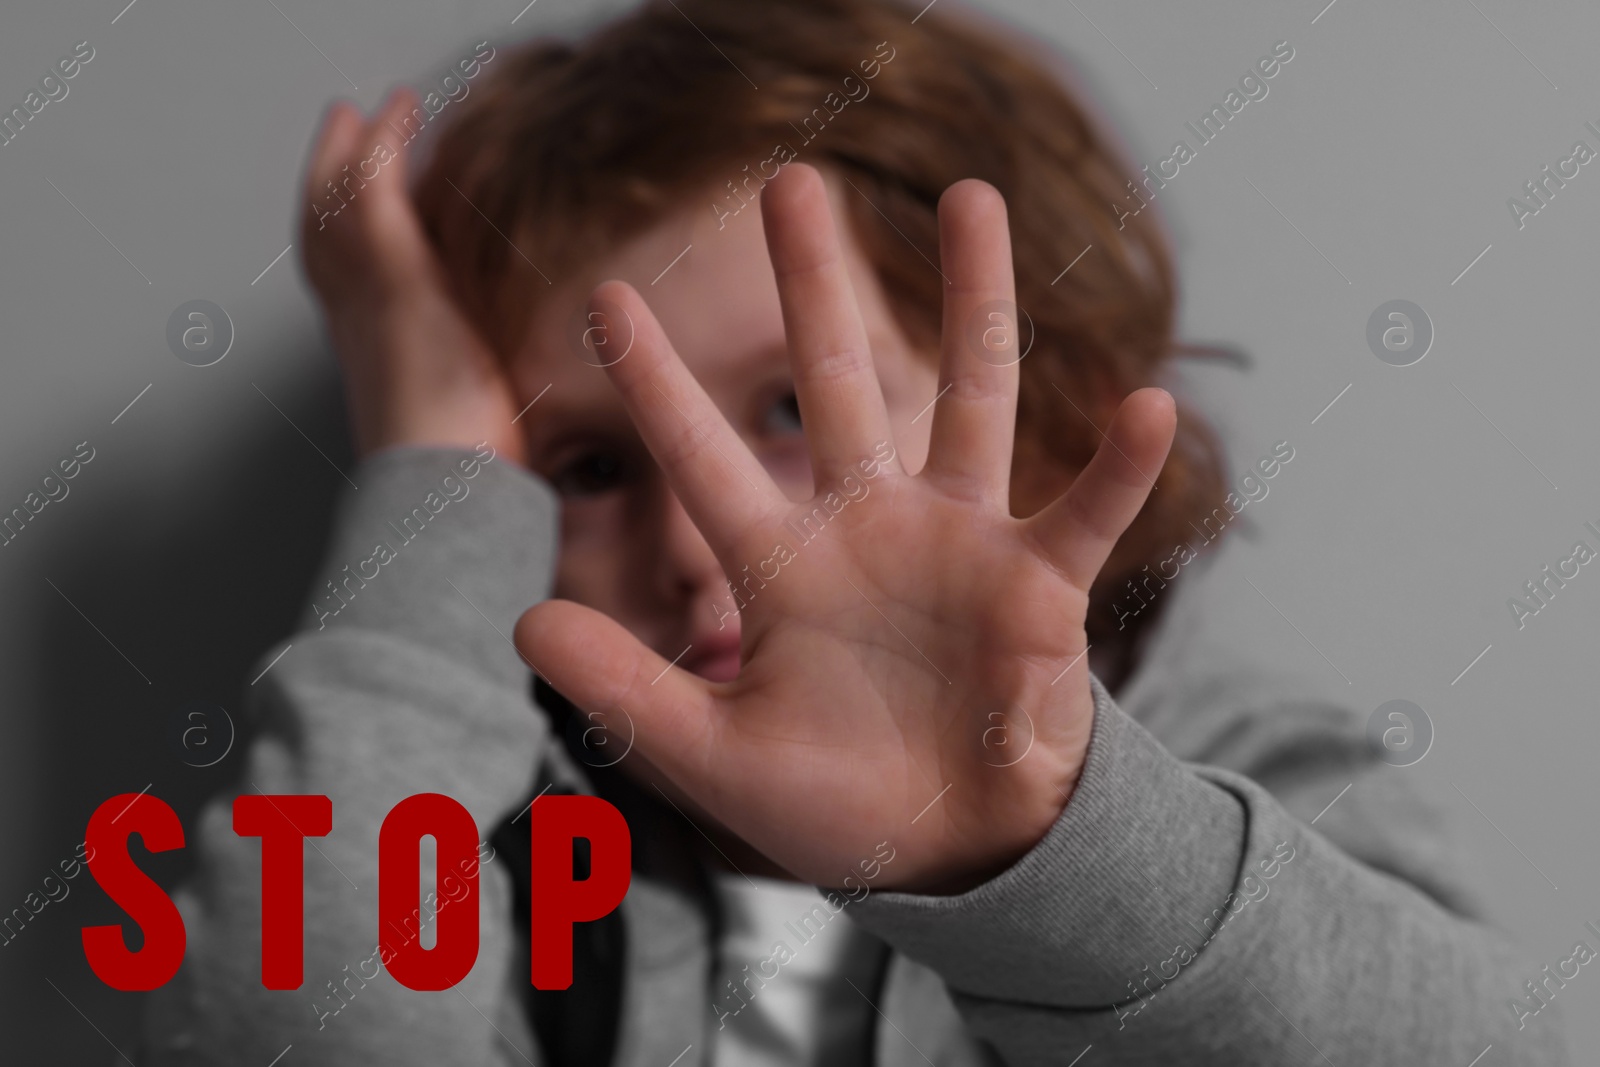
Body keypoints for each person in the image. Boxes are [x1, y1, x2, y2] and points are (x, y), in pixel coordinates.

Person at [141, 0, 1569, 1063]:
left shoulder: (1249, 775)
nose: (702, 546)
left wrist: (1037, 846)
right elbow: (292, 1018)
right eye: (581, 464)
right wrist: (436, 468)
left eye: (787, 417)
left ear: (1045, 412)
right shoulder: (503, 841)